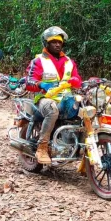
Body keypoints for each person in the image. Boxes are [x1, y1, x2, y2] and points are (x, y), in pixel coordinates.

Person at [26, 26, 82, 164]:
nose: (57, 44)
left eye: (59, 42)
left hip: (66, 98)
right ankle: (42, 147)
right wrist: (40, 84)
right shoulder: (38, 61)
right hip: (45, 99)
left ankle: (83, 149)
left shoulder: (69, 61)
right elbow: (29, 81)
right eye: (53, 41)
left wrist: (76, 81)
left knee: (86, 110)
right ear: (46, 43)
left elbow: (77, 80)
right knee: (52, 109)